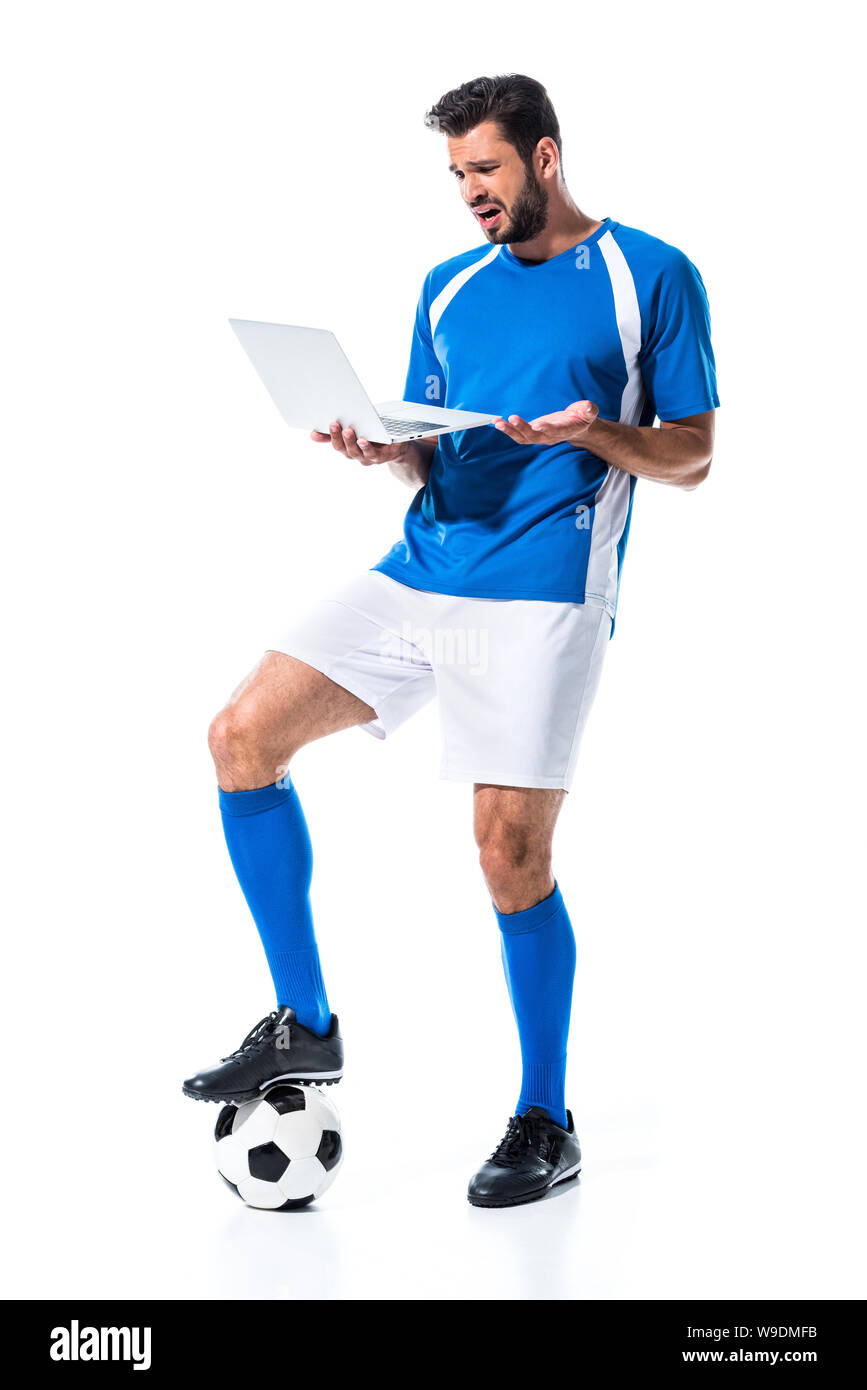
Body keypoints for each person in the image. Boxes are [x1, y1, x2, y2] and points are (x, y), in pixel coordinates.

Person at [183, 72, 719, 1209]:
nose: (471, 192)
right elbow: (436, 442)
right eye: (457, 176)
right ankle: (304, 1023)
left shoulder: (651, 275)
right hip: (423, 563)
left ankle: (544, 1117)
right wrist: (384, 449)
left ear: (546, 157)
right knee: (240, 735)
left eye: (486, 169)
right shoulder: (447, 285)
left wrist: (596, 431)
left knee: (507, 852)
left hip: (545, 587)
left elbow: (693, 454)